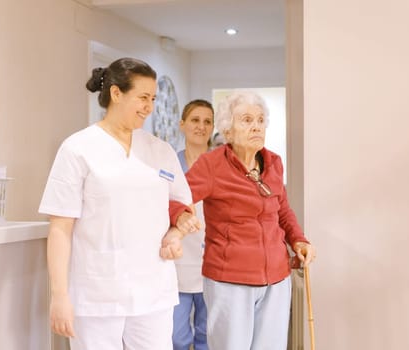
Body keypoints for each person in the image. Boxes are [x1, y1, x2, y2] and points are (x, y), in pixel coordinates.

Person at [38, 57, 201, 350]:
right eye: (142, 97)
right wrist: (59, 295)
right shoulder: (78, 148)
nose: (149, 107)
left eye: (152, 98)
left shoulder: (160, 151)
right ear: (116, 93)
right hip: (97, 291)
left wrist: (175, 235)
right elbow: (60, 228)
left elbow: (181, 208)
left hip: (154, 289)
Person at [170, 91, 316, 350]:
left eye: (260, 120)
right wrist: (180, 215)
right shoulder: (212, 165)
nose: (256, 126)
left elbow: (282, 209)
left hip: (276, 279)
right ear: (228, 130)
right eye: (247, 120)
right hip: (230, 280)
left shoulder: (273, 163)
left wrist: (299, 239)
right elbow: (176, 197)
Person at [172, 99, 214, 350]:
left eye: (207, 121)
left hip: (212, 259)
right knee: (176, 336)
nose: (201, 126)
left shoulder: (221, 164)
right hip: (177, 259)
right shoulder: (170, 164)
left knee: (207, 334)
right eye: (195, 120)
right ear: (182, 125)